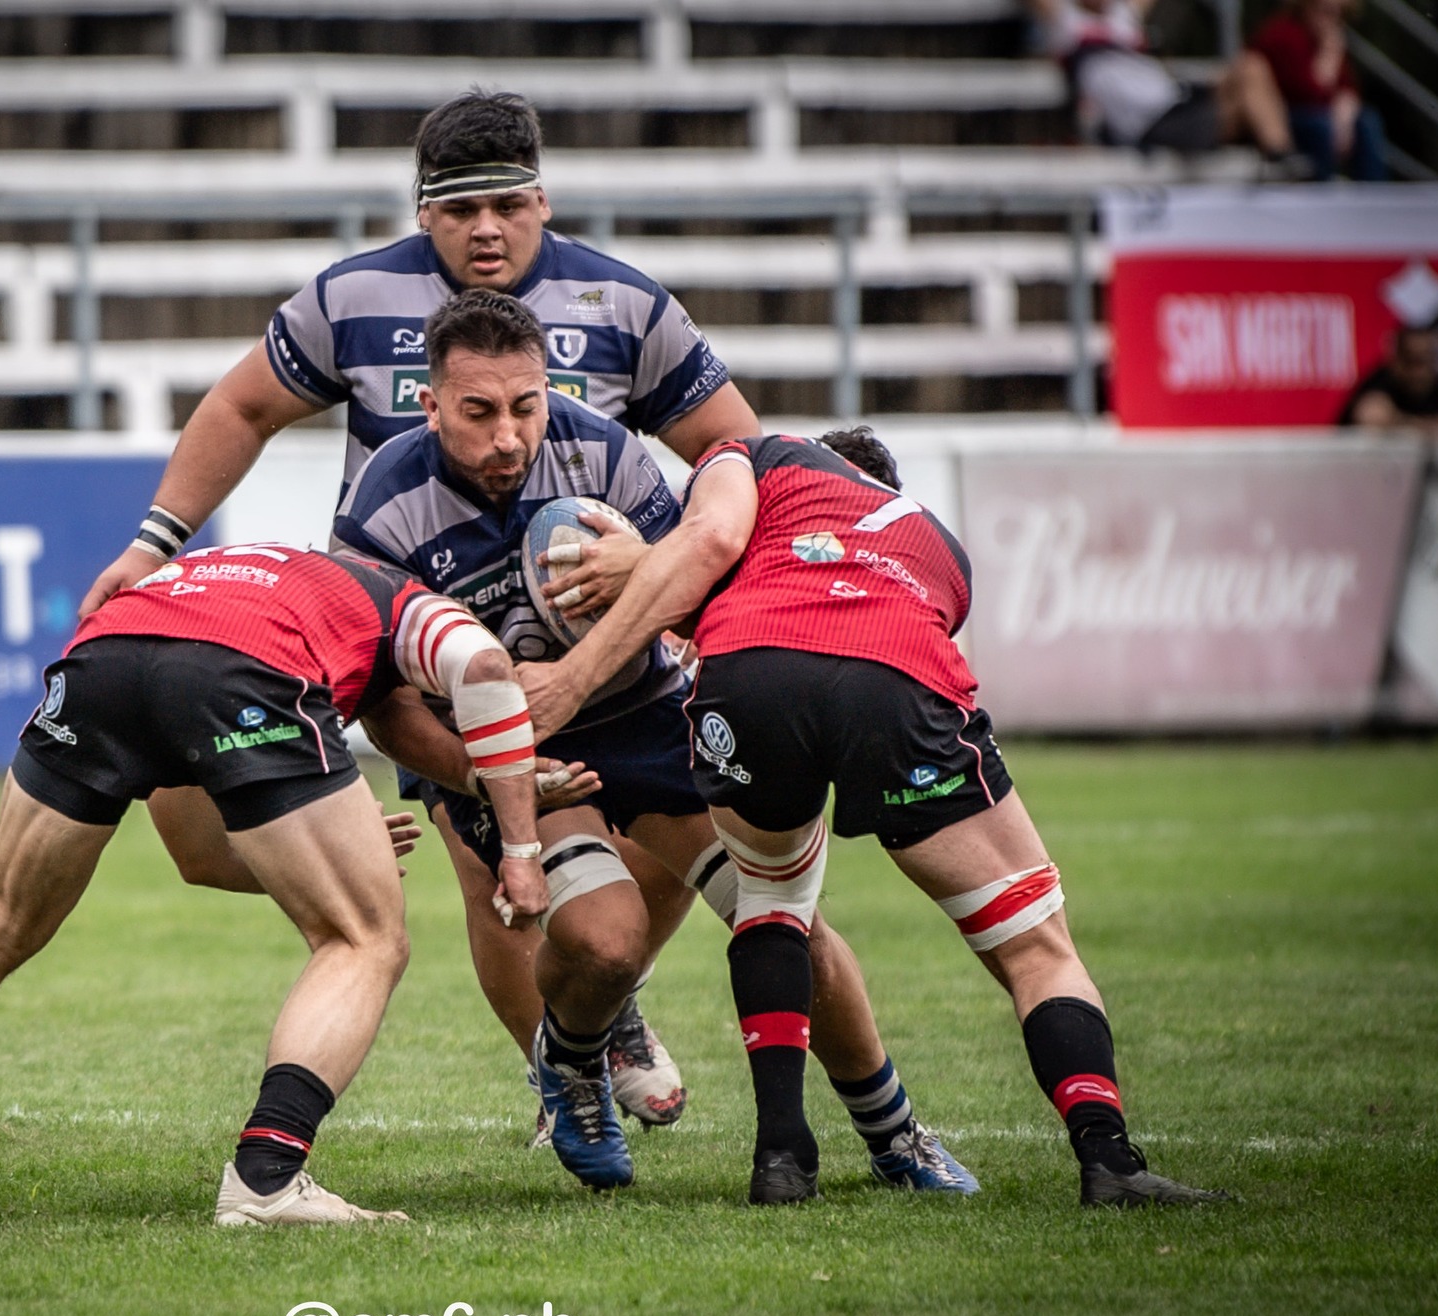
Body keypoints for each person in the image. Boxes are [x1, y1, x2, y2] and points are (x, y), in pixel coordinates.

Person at [76, 89, 761, 1131]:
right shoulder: (351, 297)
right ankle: (560, 1075)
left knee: (654, 859)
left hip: (611, 651)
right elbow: (241, 406)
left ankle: (602, 1004)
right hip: (429, 641)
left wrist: (653, 554)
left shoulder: (625, 305)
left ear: (541, 198)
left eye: (505, 205)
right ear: (420, 210)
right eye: (455, 210)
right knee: (490, 862)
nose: (484, 229)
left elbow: (733, 451)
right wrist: (153, 541)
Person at [336, 291, 977, 1194]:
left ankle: (894, 1132)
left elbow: (699, 585)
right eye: (478, 412)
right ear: (430, 403)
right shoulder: (380, 506)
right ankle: (571, 1062)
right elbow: (381, 700)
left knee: (787, 924)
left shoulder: (602, 448)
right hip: (503, 753)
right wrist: (480, 777)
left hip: (645, 714)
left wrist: (644, 567)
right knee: (606, 943)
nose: (509, 435)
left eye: (526, 406)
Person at [517, 426, 1227, 1208]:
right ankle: (1109, 1159)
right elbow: (888, 622)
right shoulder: (943, 544)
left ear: (832, 461)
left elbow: (711, 546)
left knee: (772, 904)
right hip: (891, 677)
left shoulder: (763, 452)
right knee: (1032, 942)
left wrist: (639, 568)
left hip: (754, 678)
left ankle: (783, 1155)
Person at [0, 544, 548, 1225]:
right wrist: (519, 843)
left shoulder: (246, 570)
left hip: (104, 658)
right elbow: (482, 672)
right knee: (365, 936)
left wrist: (324, 849)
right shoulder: (402, 598)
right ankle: (267, 1175)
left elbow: (197, 855)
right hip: (237, 667)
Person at [1031, 0, 1297, 165]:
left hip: (1175, 99)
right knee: (1250, 90)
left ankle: (1280, 154)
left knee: (1251, 67)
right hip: (1150, 123)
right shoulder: (1065, 21)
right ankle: (1283, 164)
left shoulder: (1123, 15)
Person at [1251, 0, 1387, 181]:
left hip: (1319, 114)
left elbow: (1347, 87)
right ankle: (1322, 191)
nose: (1333, 20)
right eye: (1327, 12)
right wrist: (1328, 56)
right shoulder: (1284, 35)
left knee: (1366, 121)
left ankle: (1373, 194)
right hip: (1286, 115)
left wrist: (1345, 116)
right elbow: (1307, 94)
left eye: (1339, 14)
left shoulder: (1321, 39)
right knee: (1321, 126)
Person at [1340, 324, 1438, 429]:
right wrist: (1422, 426)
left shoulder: (1437, 388)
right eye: (1412, 361)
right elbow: (1371, 414)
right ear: (1397, 361)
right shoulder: (1382, 381)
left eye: (1427, 361)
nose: (1420, 372)